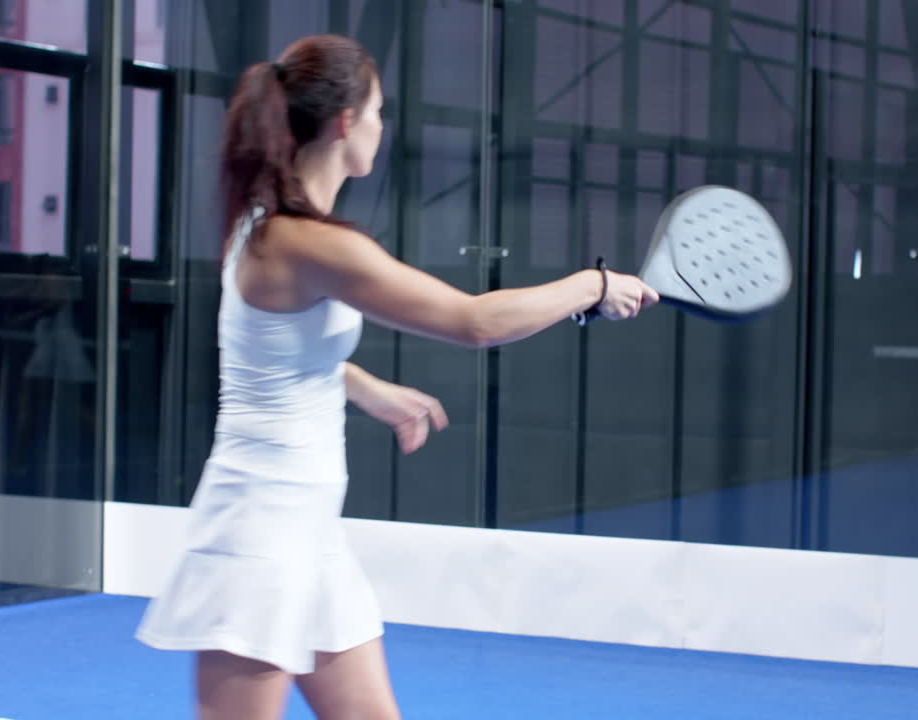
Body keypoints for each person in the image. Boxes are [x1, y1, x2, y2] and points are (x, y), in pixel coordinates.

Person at [135, 34, 660, 720]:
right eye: (379, 112)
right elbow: (473, 321)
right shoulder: (309, 243)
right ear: (347, 122)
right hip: (257, 534)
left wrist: (364, 387)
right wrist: (591, 285)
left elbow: (274, 352)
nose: (384, 128)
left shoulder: (269, 228)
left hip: (307, 530)